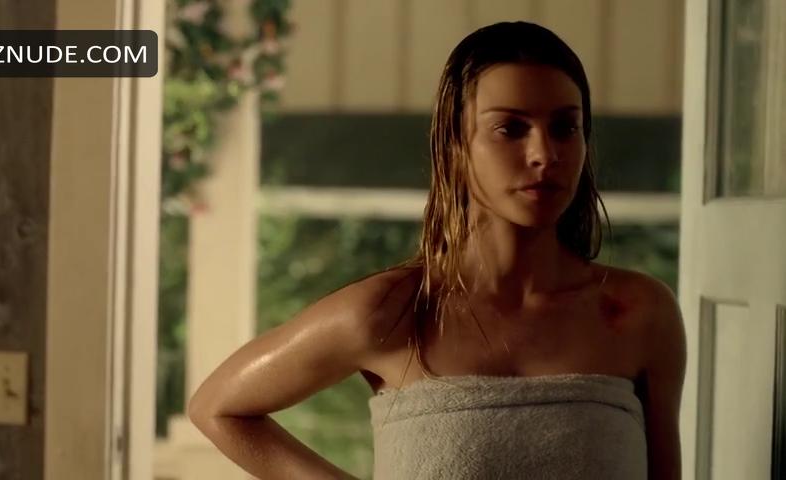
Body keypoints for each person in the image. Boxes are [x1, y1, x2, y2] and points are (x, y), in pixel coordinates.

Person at [188, 21, 687, 480]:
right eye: (510, 128)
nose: (545, 154)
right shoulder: (395, 314)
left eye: (565, 127)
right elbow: (218, 408)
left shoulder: (639, 314)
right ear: (455, 144)